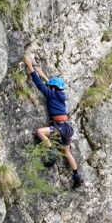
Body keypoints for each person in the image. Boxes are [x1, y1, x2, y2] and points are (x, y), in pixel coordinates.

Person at [24, 55, 83, 189]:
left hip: (59, 127)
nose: (49, 87)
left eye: (50, 86)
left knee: (40, 132)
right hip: (67, 128)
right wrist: (42, 74)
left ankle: (51, 151)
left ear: (53, 88)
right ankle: (76, 175)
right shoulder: (60, 94)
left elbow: (39, 85)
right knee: (67, 152)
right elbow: (49, 84)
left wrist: (30, 67)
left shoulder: (50, 94)